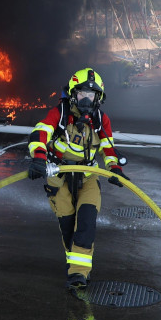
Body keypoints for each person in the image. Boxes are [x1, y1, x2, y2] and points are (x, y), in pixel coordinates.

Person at [26, 68, 127, 296]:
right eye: (82, 94)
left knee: (87, 221)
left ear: (98, 98)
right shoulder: (60, 113)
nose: (86, 99)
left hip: (88, 176)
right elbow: (39, 133)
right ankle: (76, 265)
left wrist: (115, 168)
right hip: (59, 177)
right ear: (73, 95)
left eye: (91, 95)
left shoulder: (101, 120)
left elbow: (108, 147)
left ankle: (78, 274)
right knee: (68, 226)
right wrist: (39, 159)